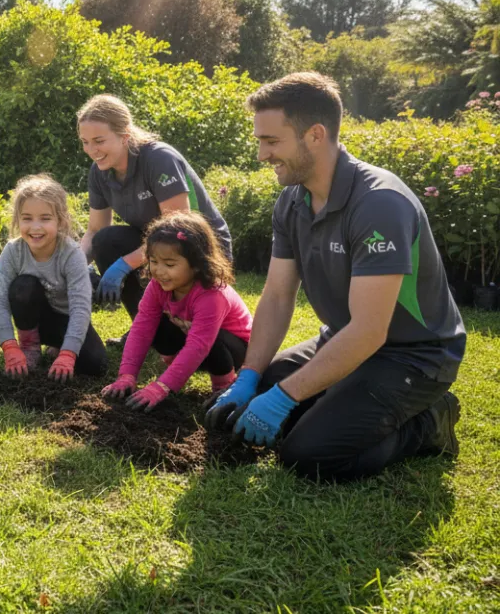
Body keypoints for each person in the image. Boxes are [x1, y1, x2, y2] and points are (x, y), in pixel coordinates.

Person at [205, 72, 465, 481]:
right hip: (343, 338)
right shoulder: (292, 202)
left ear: (315, 134)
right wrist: (250, 377)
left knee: (309, 455)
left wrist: (285, 397)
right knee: (257, 395)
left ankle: (430, 420)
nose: (261, 155)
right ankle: (335, 396)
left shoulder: (379, 204)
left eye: (271, 141)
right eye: (260, 141)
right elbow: (275, 297)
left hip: (413, 355)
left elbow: (368, 332)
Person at [77, 95, 232, 339]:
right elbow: (95, 230)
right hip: (157, 244)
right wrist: (73, 265)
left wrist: (123, 265)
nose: (91, 150)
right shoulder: (99, 172)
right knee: (106, 240)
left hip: (201, 246)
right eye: (85, 142)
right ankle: (146, 327)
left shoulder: (159, 158)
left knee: (189, 338)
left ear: (124, 135)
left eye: (99, 141)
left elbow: (178, 231)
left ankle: (177, 322)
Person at [100, 210, 252, 411]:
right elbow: (141, 329)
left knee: (213, 340)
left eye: (169, 264)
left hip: (233, 350)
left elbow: (199, 345)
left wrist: (161, 387)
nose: (159, 271)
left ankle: (223, 386)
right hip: (194, 341)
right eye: (154, 262)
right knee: (152, 325)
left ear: (197, 265)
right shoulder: (157, 285)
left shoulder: (212, 294)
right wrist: (126, 375)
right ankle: (176, 370)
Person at [0, 175, 106, 382]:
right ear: (17, 219)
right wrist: (9, 346)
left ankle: (60, 346)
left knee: (94, 364)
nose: (35, 227)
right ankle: (29, 346)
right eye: (27, 218)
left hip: (66, 320)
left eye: (45, 218)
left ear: (60, 220)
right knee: (23, 286)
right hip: (33, 322)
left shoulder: (72, 254)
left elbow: (80, 308)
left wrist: (69, 353)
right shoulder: (12, 252)